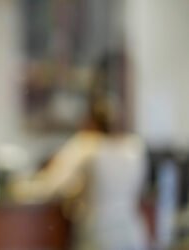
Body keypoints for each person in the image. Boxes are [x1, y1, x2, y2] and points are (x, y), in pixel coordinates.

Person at [12, 63, 149, 250]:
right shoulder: (134, 147)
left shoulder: (85, 146)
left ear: (91, 121)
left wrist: (19, 188)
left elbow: (51, 186)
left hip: (99, 236)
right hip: (133, 234)